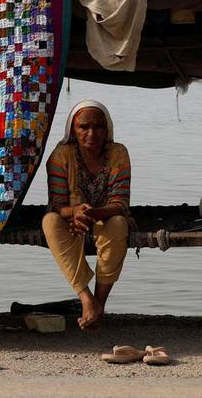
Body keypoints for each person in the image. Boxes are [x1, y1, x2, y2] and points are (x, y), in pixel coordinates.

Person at [41, 99, 131, 329]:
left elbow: (120, 203)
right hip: (71, 218)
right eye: (84, 127)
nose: (92, 133)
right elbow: (57, 204)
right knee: (50, 221)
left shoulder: (118, 153)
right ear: (73, 129)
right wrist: (74, 212)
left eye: (98, 126)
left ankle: (98, 304)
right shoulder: (61, 154)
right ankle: (86, 298)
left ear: (106, 128)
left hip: (106, 216)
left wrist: (95, 212)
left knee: (119, 224)